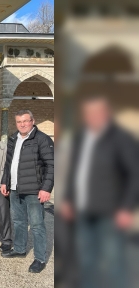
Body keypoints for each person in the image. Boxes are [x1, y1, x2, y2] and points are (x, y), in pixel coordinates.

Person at [62, 96, 139, 286]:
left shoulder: (121, 139)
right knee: (86, 261)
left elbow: (135, 174)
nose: (92, 116)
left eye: (97, 112)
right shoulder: (81, 138)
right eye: (88, 113)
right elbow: (75, 172)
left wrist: (126, 208)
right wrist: (68, 199)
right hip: (82, 210)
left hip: (110, 212)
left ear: (107, 113)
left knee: (113, 262)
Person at [0, 110, 54, 274]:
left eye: (25, 121)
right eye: (19, 122)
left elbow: (52, 165)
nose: (22, 124)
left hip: (34, 190)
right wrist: (5, 181)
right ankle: (20, 248)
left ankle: (40, 258)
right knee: (18, 221)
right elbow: (8, 163)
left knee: (37, 225)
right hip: (15, 188)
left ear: (32, 121)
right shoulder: (13, 138)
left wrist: (46, 188)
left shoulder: (42, 139)